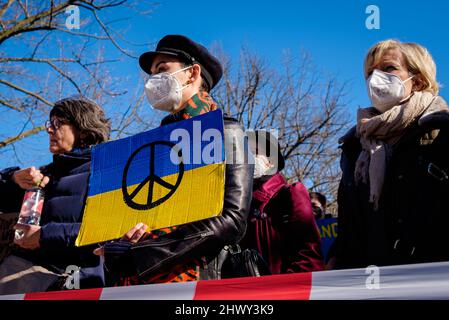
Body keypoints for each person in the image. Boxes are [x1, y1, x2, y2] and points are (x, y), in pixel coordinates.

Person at [97, 35, 253, 285]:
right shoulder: (152, 148)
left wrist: (143, 255)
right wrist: (122, 241)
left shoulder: (228, 132)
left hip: (194, 281)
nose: (153, 81)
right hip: (138, 283)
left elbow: (232, 220)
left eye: (162, 69)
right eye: (151, 74)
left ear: (192, 74)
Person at [336, 39, 449, 269]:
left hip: (433, 280)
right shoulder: (355, 147)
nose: (375, 79)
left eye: (388, 68)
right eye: (370, 72)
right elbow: (350, 229)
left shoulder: (442, 133)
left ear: (417, 81)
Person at [0, 97, 110, 294]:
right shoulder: (40, 175)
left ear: (83, 130)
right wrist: (12, 178)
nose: (49, 129)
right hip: (20, 271)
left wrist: (44, 235)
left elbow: (107, 230)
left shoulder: (106, 173)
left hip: (79, 280)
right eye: (49, 124)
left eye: (58, 123)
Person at [239, 130, 324, 274]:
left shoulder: (291, 194)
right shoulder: (240, 203)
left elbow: (309, 255)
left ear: (271, 161)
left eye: (255, 152)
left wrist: (285, 289)